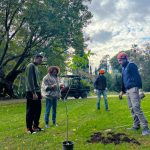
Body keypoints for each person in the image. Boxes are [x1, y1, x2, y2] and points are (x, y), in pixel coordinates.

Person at [117, 51, 150, 136]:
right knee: (131, 108)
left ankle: (146, 128)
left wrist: (140, 89)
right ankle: (136, 126)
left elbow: (137, 77)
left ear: (125, 59)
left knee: (136, 108)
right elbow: (123, 80)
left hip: (134, 89)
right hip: (127, 90)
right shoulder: (123, 68)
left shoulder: (131, 65)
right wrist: (122, 91)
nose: (119, 62)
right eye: (118, 60)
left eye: (120, 60)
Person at [25, 54, 44, 134]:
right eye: (39, 60)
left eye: (41, 60)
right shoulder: (31, 66)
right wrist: (34, 93)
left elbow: (37, 81)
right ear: (35, 58)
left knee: (38, 110)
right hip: (31, 92)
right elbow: (30, 80)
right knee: (31, 111)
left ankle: (35, 126)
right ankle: (29, 129)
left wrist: (40, 92)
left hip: (37, 91)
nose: (40, 61)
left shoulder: (36, 67)